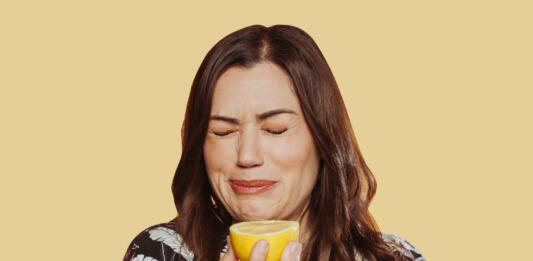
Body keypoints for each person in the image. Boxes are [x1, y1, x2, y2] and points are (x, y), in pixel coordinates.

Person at [123, 24, 425, 261]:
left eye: (275, 129)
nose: (247, 156)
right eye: (223, 132)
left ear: (323, 140)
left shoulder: (395, 257)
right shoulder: (159, 251)